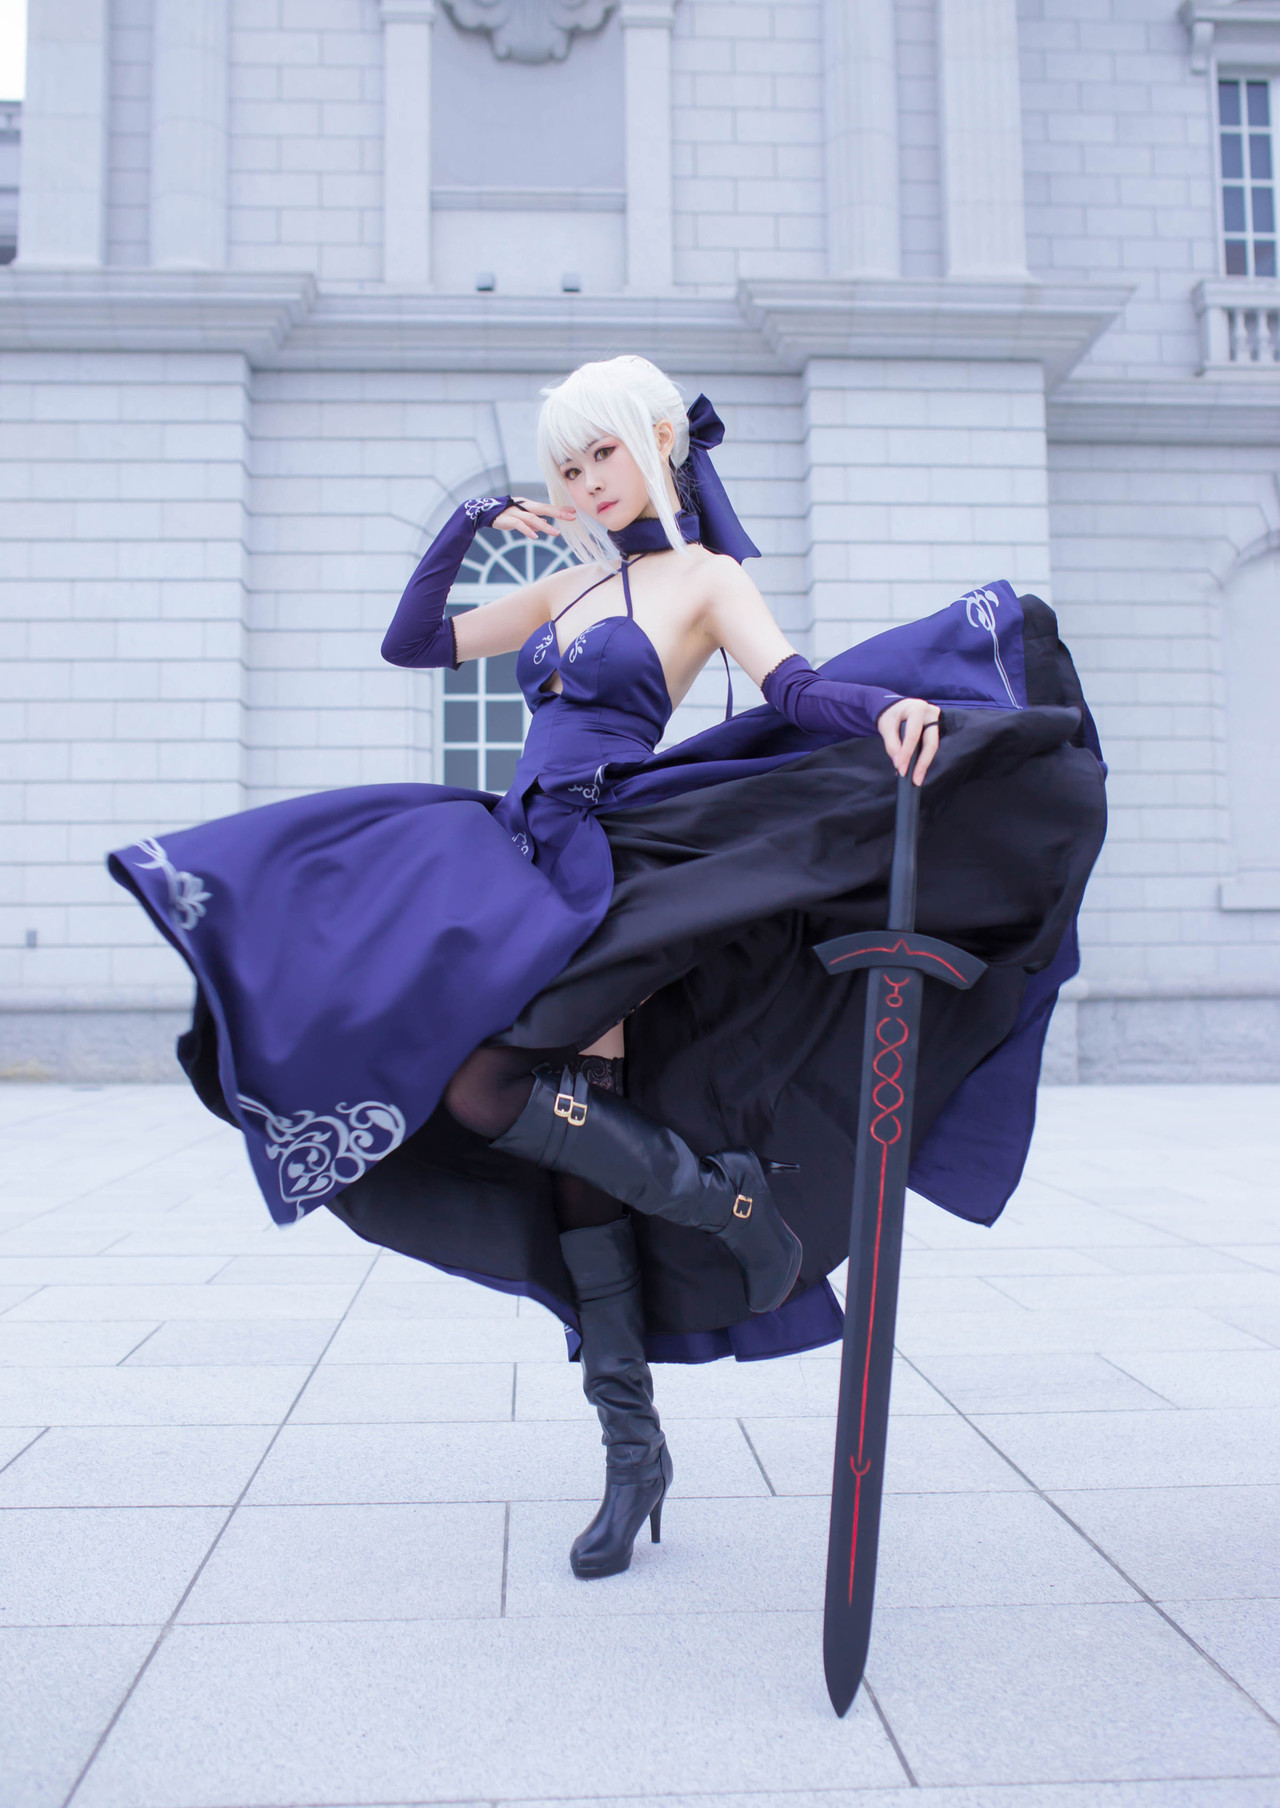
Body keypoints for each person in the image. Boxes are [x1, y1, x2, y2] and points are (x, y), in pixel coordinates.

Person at [109, 354, 1105, 1584]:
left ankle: (728, 1205)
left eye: (602, 453)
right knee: (567, 1156)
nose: (584, 480)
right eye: (566, 463)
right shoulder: (565, 585)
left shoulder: (705, 579)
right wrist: (475, 522)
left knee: (487, 1081)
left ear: (660, 443)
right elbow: (412, 645)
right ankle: (632, 1453)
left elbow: (793, 689)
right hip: (516, 853)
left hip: (612, 856)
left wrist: (887, 713)